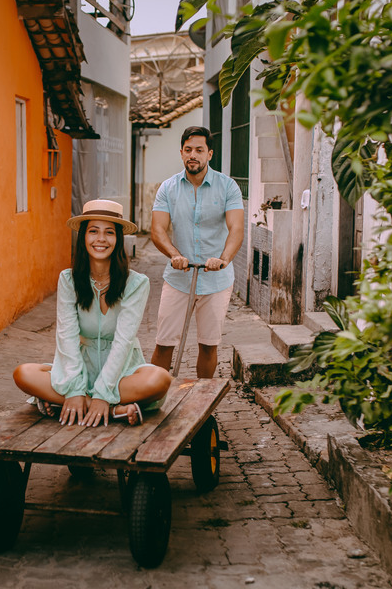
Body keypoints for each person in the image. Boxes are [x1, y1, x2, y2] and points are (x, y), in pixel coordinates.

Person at [14, 199, 172, 427]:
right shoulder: (68, 280)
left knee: (160, 379)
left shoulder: (136, 283)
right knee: (24, 373)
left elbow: (123, 341)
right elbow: (66, 336)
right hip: (77, 369)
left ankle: (75, 403)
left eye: (109, 232)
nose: (100, 239)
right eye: (93, 231)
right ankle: (112, 409)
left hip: (121, 373)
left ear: (118, 239)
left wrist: (103, 393)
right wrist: (75, 388)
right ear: (83, 237)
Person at [150, 126, 244, 379]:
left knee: (208, 344)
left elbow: (236, 228)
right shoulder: (168, 188)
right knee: (164, 343)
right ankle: (153, 398)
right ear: (181, 153)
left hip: (216, 279)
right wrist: (174, 255)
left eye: (199, 150)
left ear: (209, 154)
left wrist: (223, 260)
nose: (193, 155)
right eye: (188, 150)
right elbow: (158, 229)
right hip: (179, 278)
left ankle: (203, 403)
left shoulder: (228, 187)